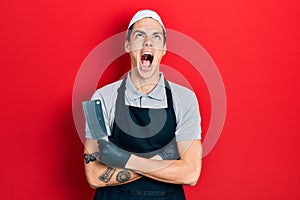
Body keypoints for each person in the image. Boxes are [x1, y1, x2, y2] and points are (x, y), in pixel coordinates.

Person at [83, 9, 202, 200]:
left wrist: (124, 159)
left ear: (163, 48)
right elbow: (94, 176)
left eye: (156, 36)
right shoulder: (99, 98)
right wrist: (164, 159)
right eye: (140, 35)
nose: (148, 42)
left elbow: (191, 173)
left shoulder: (186, 99)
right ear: (128, 45)